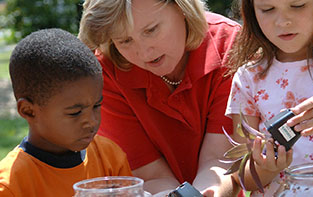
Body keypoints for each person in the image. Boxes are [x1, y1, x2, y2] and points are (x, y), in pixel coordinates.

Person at [78, 0, 242, 196]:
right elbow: (150, 175)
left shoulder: (228, 43)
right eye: (125, 41)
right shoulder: (103, 73)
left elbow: (222, 158)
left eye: (151, 30)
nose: (145, 52)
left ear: (182, 8)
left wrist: (205, 193)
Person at [225, 0, 313, 196]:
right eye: (267, 10)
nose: (282, 21)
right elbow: (242, 177)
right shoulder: (248, 78)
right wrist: (267, 167)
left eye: (298, 5)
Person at [0, 28, 132, 196]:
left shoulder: (109, 157)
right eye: (75, 112)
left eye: (96, 106)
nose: (91, 121)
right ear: (28, 111)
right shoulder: (11, 186)